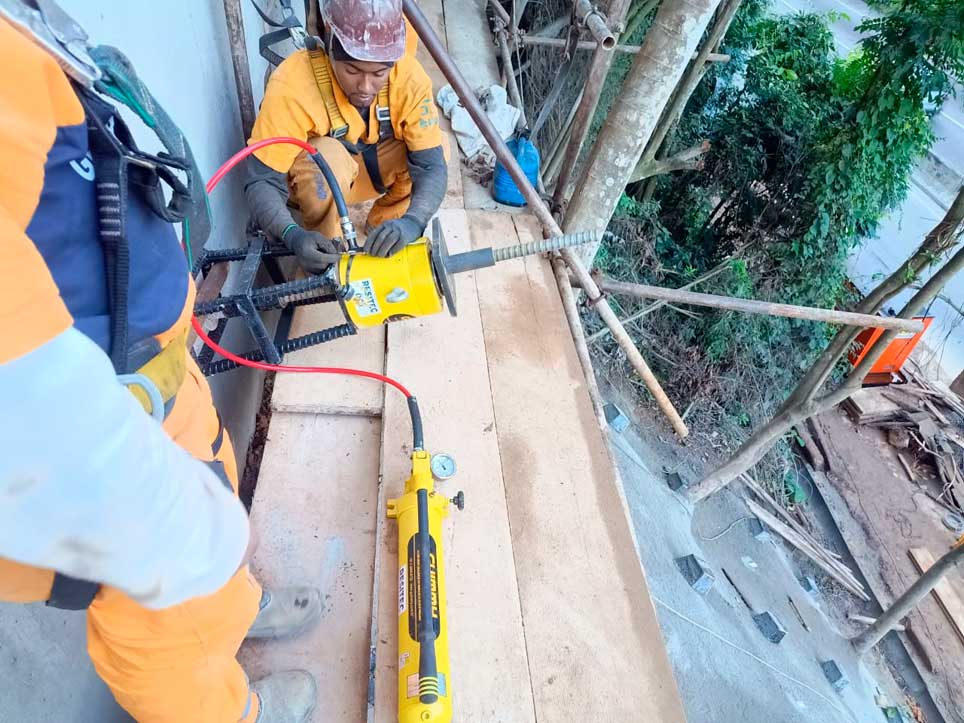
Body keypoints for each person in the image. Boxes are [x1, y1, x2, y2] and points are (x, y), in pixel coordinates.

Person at [0, 3, 319, 721]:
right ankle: (226, 710)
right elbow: (21, 403)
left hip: (152, 371)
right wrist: (161, 524)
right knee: (164, 613)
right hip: (97, 419)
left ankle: (235, 608)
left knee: (215, 471)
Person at [245, 0, 448, 274]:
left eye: (378, 74)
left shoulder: (408, 78)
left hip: (365, 172)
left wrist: (413, 222)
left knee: (438, 149)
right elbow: (261, 181)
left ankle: (385, 231)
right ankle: (327, 256)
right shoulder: (292, 84)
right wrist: (292, 235)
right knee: (326, 159)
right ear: (329, 44)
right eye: (352, 70)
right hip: (316, 183)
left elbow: (430, 167)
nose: (365, 87)